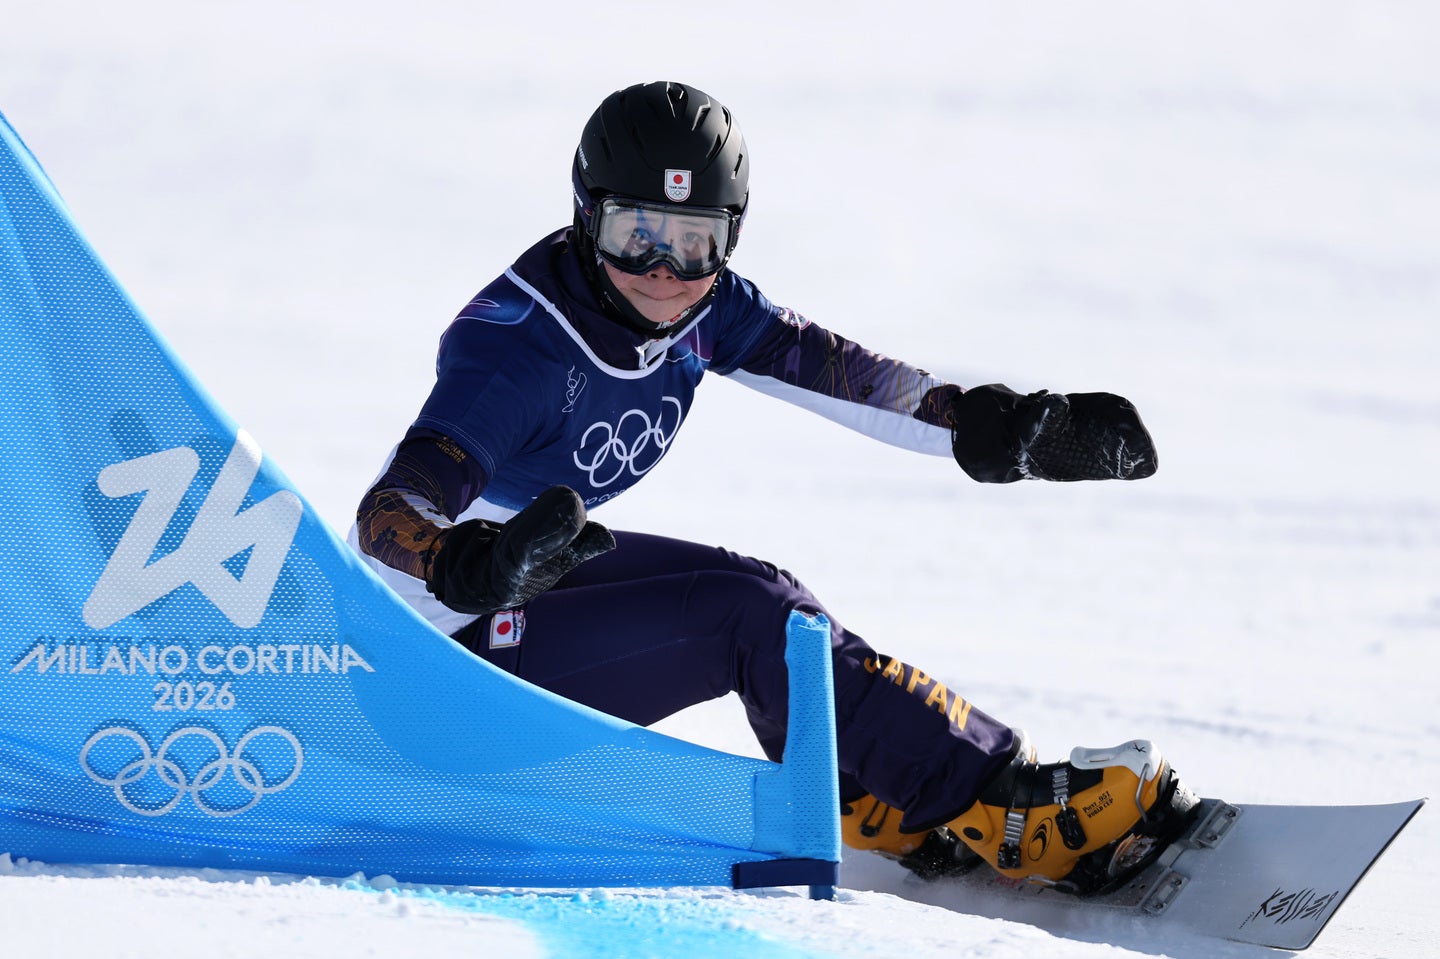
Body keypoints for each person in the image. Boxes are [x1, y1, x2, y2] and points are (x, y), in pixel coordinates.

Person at [350, 80, 1196, 893]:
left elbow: (848, 378)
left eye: (695, 240)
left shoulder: (703, 309)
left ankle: (867, 784)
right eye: (634, 231)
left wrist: (994, 426)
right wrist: (466, 561)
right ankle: (998, 806)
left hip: (508, 601)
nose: (663, 269)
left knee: (770, 599)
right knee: (743, 619)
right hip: (433, 679)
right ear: (585, 219)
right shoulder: (518, 350)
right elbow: (389, 513)